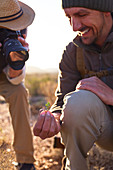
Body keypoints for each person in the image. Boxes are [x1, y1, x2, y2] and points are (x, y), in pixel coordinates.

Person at [33, 0, 113, 169]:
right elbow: (61, 100)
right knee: (77, 101)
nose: (75, 26)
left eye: (82, 15)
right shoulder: (72, 52)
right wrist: (52, 115)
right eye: (69, 17)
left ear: (106, 11)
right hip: (107, 129)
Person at [0, 0, 35, 169]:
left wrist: (17, 61)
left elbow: (15, 79)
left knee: (19, 92)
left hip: (3, 74)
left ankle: (26, 161)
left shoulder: (20, 29)